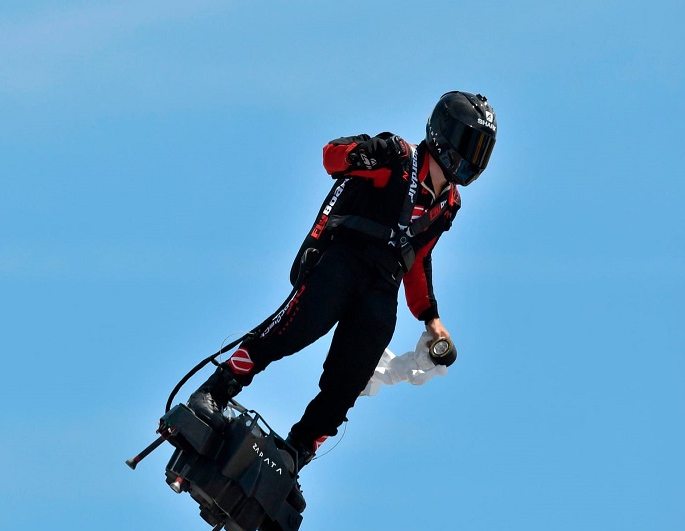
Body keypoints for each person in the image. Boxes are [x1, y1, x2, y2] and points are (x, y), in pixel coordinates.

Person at [187, 91, 497, 470]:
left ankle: (295, 454)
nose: (473, 159)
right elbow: (331, 156)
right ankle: (214, 392)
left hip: (383, 286)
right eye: (470, 143)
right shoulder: (399, 158)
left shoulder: (449, 206)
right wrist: (365, 153)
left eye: (482, 150)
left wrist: (431, 319)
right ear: (443, 134)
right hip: (346, 260)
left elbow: (419, 259)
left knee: (350, 379)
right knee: (291, 330)